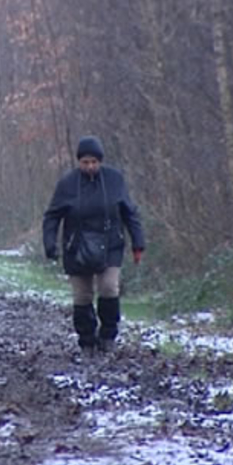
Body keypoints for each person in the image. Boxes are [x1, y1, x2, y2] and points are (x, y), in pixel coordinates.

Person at [43, 135, 145, 354]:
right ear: (79, 162)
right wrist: (50, 244)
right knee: (82, 295)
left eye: (94, 162)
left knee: (109, 287)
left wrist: (138, 243)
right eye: (85, 162)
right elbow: (52, 216)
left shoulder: (115, 180)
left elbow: (129, 212)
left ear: (101, 161)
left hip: (110, 244)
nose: (90, 166)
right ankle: (87, 338)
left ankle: (108, 334)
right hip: (77, 247)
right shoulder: (67, 184)